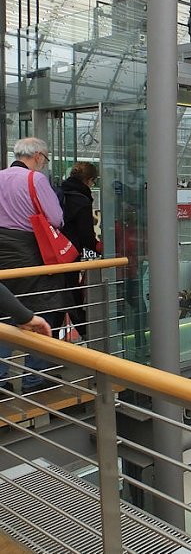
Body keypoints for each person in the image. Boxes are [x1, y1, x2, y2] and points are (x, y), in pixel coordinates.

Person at [0, 138, 73, 394]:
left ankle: (1, 379)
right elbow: (55, 218)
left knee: (5, 309)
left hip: (2, 251)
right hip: (30, 250)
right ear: (39, 156)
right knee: (44, 305)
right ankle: (34, 379)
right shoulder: (35, 179)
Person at [58, 162, 100, 335]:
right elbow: (86, 237)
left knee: (58, 294)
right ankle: (84, 332)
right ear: (89, 180)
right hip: (70, 253)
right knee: (71, 295)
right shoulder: (81, 200)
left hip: (53, 251)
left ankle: (49, 340)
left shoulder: (59, 192)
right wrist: (100, 248)